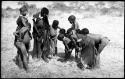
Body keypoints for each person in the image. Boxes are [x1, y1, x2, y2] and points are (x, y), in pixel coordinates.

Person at [13, 5, 32, 72]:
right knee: (23, 53)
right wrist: (27, 24)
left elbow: (27, 26)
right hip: (20, 39)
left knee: (22, 52)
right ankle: (26, 68)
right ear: (21, 12)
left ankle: (21, 65)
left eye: (26, 11)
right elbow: (25, 25)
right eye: (24, 11)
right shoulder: (21, 18)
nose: (25, 12)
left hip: (24, 37)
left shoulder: (24, 18)